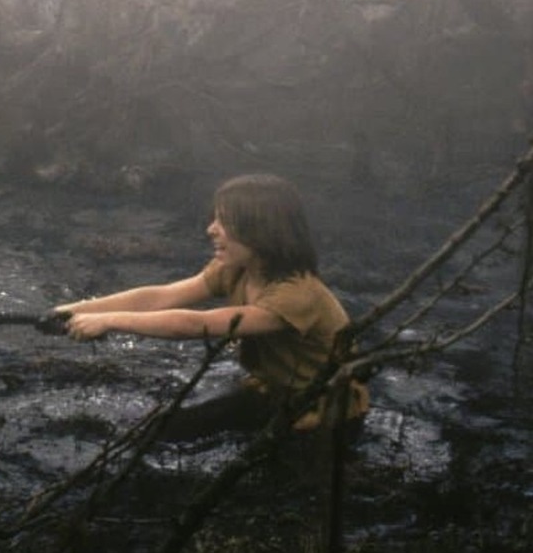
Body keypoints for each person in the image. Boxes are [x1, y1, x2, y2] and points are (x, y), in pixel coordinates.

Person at [50, 173, 368, 443]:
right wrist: (76, 310)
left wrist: (109, 321)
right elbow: (162, 296)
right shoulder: (237, 267)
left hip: (325, 414)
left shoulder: (298, 295)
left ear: (261, 231)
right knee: (159, 432)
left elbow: (195, 325)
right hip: (269, 390)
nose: (210, 229)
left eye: (224, 221)